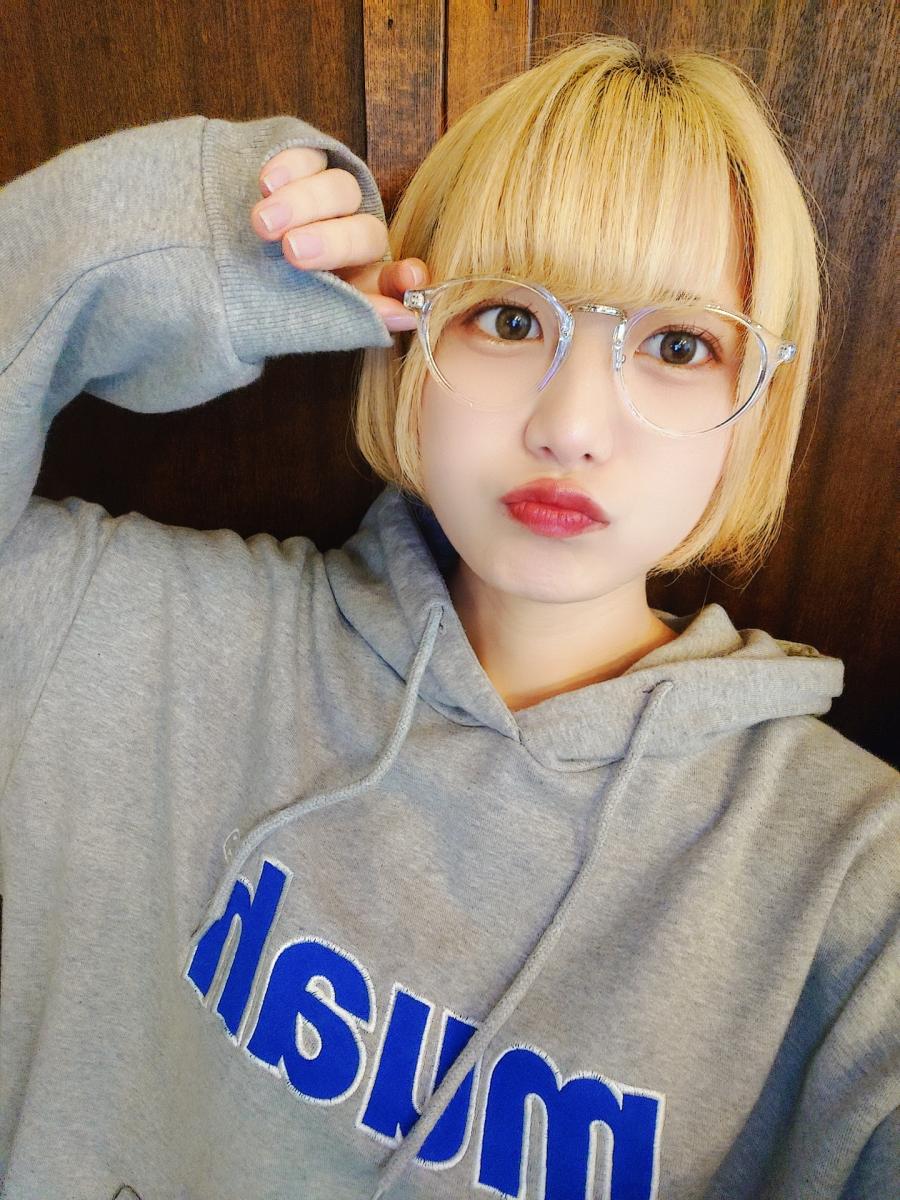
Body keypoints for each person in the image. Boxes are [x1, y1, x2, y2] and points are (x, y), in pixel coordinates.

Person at [0, 33, 896, 1200]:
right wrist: (189, 238)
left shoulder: (849, 880)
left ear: (756, 406)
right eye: (511, 320)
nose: (571, 427)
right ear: (409, 333)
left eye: (678, 346)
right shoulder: (141, 630)